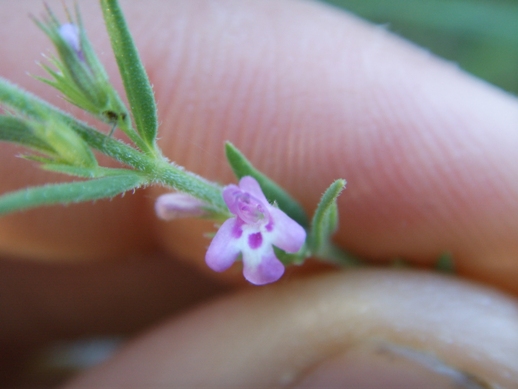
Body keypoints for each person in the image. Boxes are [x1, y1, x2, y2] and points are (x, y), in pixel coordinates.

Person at [0, 0, 517, 387]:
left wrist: (259, 213)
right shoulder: (239, 225)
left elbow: (278, 228)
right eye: (243, 206)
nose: (247, 208)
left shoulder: (262, 218)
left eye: (250, 204)